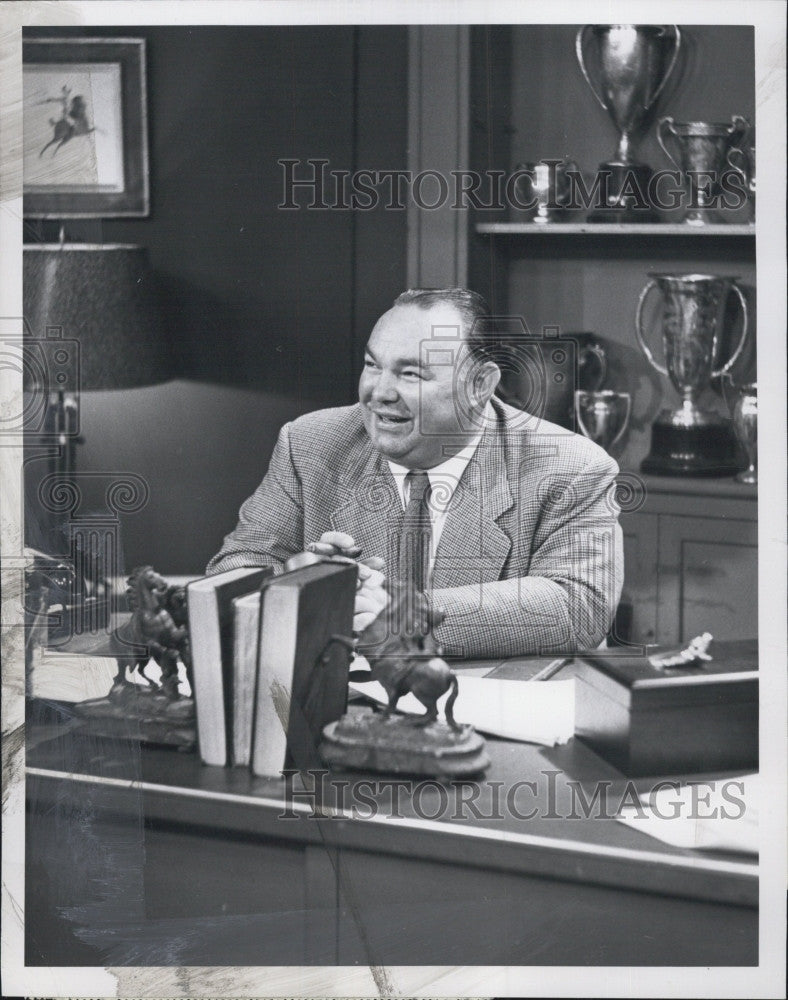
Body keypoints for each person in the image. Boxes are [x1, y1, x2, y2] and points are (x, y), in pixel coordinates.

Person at [207, 288, 623, 658]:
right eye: (373, 365)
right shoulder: (311, 443)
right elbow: (232, 573)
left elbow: (579, 604)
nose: (379, 392)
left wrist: (403, 616)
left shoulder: (570, 466)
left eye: (411, 373)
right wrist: (295, 580)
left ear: (480, 385)